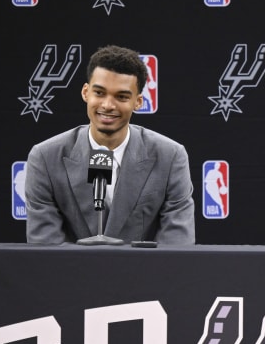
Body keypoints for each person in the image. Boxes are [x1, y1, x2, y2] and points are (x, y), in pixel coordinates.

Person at [24, 44, 195, 244]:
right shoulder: (45, 157)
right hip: (71, 274)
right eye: (99, 93)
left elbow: (176, 245)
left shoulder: (171, 156)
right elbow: (45, 247)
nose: (107, 105)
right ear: (85, 92)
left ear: (138, 102)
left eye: (121, 97)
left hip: (146, 274)